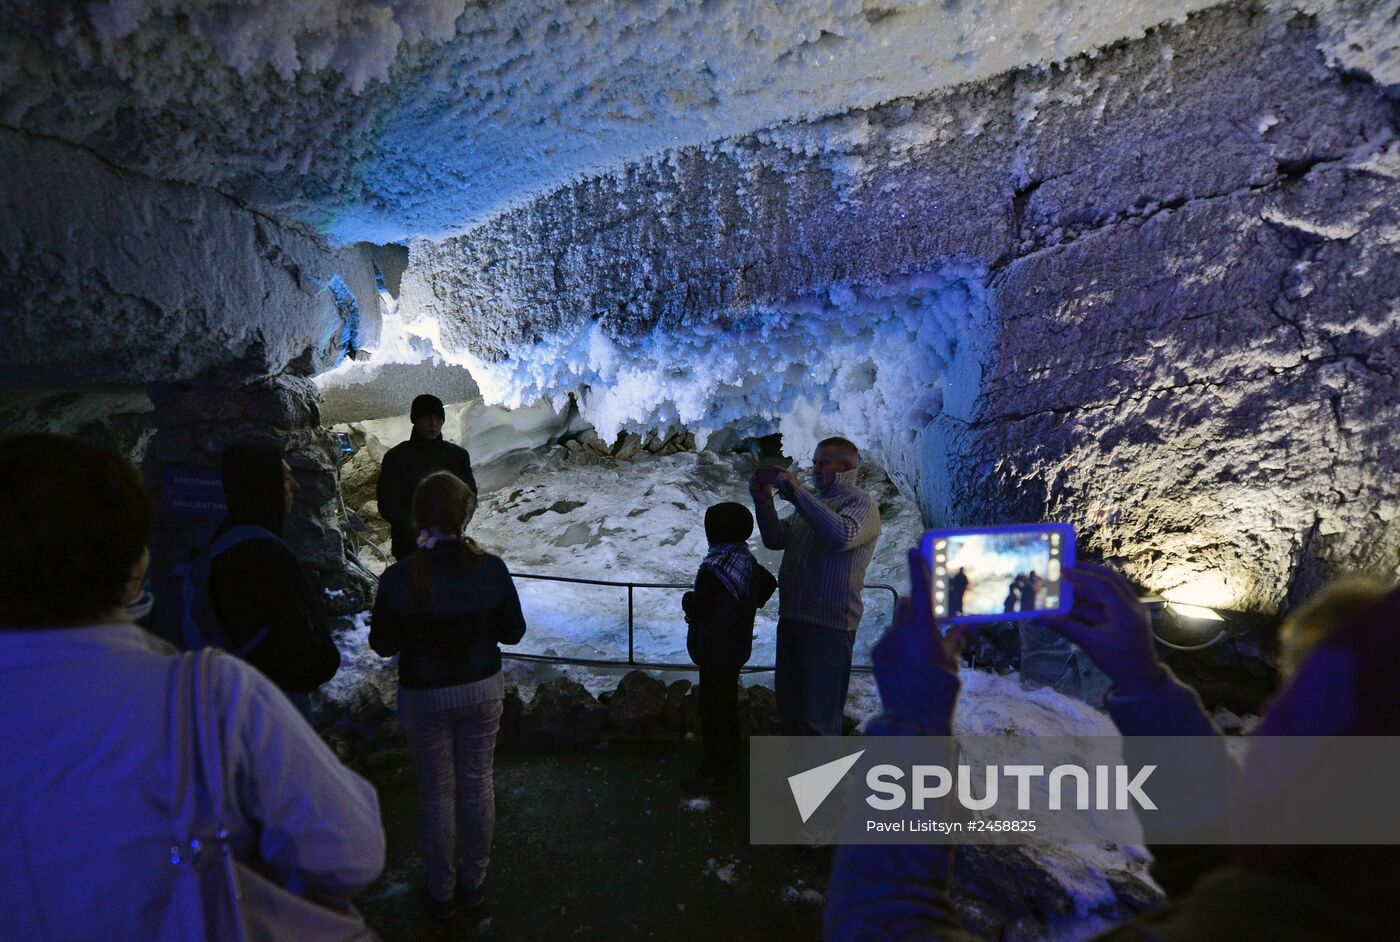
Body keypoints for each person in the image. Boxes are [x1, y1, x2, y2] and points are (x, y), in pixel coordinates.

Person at [825, 551, 1400, 940]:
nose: (1267, 732)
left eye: (1292, 714)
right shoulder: (1318, 884)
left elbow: (884, 923)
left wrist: (913, 720)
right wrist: (1143, 681)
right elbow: (1215, 851)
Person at [0, 434, 384, 939]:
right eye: (283, 475)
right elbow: (352, 853)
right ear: (137, 563)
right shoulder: (215, 696)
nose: (293, 485)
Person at [370, 471, 526, 920]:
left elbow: (382, 644)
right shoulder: (491, 568)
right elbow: (513, 632)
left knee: (437, 793)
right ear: (464, 514)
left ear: (419, 517)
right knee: (477, 783)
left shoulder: (399, 578)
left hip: (425, 695)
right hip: (481, 688)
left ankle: (441, 891)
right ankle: (474, 883)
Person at [750, 436, 881, 736]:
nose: (814, 469)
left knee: (818, 717)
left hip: (829, 626)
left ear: (846, 467)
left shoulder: (861, 503)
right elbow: (775, 539)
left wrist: (797, 494)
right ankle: (800, 779)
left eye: (823, 462)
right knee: (792, 709)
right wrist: (763, 501)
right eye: (814, 462)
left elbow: (843, 536)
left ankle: (825, 783)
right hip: (794, 618)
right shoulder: (813, 505)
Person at [208, 440, 342, 716]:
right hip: (271, 705)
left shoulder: (227, 540)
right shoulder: (260, 554)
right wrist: (322, 661)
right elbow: (289, 642)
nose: (295, 486)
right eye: (285, 477)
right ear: (263, 485)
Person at [682, 501, 778, 792]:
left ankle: (715, 773)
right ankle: (730, 767)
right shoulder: (744, 560)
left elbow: (700, 608)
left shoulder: (715, 568)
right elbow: (769, 583)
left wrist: (686, 599)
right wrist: (747, 605)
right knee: (727, 710)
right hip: (736, 648)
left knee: (713, 712)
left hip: (713, 652)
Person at [377, 394, 477, 560]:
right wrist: (415, 528)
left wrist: (455, 527)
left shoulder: (457, 456)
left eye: (438, 418)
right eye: (426, 417)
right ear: (415, 420)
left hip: (450, 544)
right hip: (409, 546)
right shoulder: (396, 457)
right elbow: (388, 501)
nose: (433, 423)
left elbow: (469, 496)